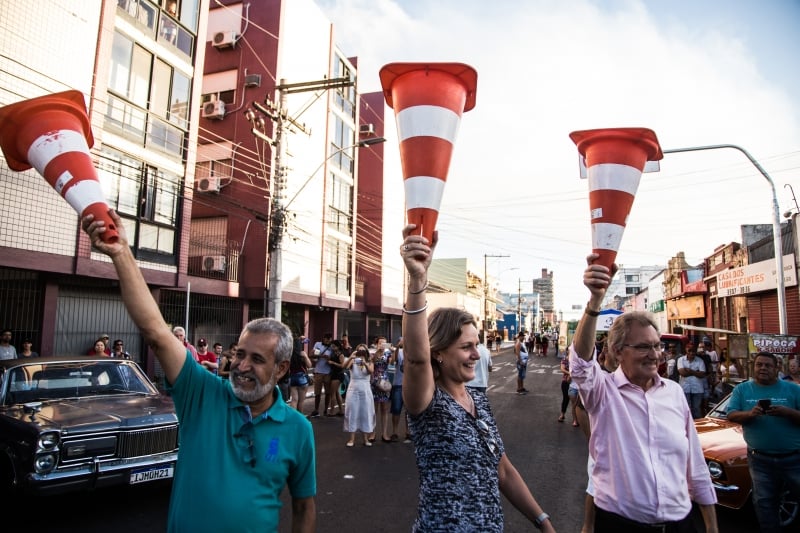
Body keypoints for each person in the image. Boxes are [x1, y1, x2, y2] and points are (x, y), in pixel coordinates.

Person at [82, 209, 316, 532]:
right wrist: (121, 252)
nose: (242, 366)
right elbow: (156, 332)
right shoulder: (202, 393)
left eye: (258, 360)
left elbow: (304, 507)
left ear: (281, 369)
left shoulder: (298, 429)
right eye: (240, 354)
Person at [399, 225, 554, 533]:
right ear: (440, 352)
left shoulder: (478, 400)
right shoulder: (428, 403)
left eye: (477, 345)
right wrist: (417, 281)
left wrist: (543, 522)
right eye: (466, 347)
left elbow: (504, 471)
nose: (477, 354)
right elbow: (417, 359)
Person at [570, 253, 718, 532]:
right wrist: (595, 302)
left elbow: (695, 465)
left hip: (679, 523)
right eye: (642, 347)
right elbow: (580, 365)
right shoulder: (604, 394)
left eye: (657, 346)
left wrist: (711, 526)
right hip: (621, 525)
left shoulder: (673, 393)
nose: (655, 355)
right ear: (617, 352)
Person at [727, 351, 800, 533]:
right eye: (759, 364)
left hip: (794, 459)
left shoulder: (793, 389)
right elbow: (731, 414)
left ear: (777, 369)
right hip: (760, 460)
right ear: (754, 366)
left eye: (768, 365)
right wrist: (750, 414)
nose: (763, 368)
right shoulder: (742, 390)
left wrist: (788, 413)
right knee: (764, 504)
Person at [342, 344, 375, 446]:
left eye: (363, 351)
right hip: (353, 388)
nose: (361, 352)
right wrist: (351, 357)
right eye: (359, 351)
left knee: (365, 412)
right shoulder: (353, 360)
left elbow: (371, 371)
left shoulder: (369, 361)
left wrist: (365, 363)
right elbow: (344, 367)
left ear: (366, 352)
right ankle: (352, 439)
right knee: (352, 412)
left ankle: (366, 439)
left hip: (365, 389)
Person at [370, 336, 393, 443]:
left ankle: (384, 433)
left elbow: (391, 362)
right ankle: (373, 433)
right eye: (380, 343)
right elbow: (371, 363)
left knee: (384, 409)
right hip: (374, 381)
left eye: (384, 343)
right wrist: (378, 352)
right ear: (377, 344)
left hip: (384, 382)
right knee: (374, 409)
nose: (382, 345)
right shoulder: (373, 353)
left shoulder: (388, 353)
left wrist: (393, 351)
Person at [678, 343, 708, 419]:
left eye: (693, 351)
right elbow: (682, 373)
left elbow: (702, 374)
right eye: (689, 350)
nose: (691, 353)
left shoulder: (700, 360)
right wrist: (696, 372)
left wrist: (690, 371)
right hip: (685, 388)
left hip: (697, 388)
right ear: (686, 350)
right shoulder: (681, 360)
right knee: (686, 408)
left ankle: (698, 426)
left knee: (696, 409)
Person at [389, 337, 410, 441]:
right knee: (396, 409)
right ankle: (395, 432)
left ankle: (408, 432)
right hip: (398, 384)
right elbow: (393, 361)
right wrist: (397, 347)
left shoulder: (412, 351)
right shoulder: (399, 351)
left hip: (410, 386)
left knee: (409, 411)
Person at [309, 333, 334, 417]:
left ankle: (326, 410)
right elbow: (311, 355)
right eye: (326, 339)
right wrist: (321, 356)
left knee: (327, 393)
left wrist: (329, 358)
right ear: (323, 339)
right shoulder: (318, 344)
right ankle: (316, 410)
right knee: (317, 393)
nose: (327, 341)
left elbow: (335, 358)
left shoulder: (332, 347)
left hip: (328, 372)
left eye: (329, 339)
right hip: (318, 372)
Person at [288, 337, 313, 413]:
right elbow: (309, 365)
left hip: (292, 377)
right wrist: (305, 357)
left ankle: (292, 417)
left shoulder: (289, 354)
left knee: (294, 399)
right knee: (301, 401)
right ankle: (300, 417)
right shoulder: (302, 354)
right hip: (302, 378)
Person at [327, 340, 346, 416]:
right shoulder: (333, 353)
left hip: (338, 374)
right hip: (334, 373)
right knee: (337, 392)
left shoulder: (340, 354)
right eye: (332, 346)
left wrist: (333, 363)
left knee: (333, 393)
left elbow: (342, 365)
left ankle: (332, 411)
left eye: (334, 346)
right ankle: (341, 410)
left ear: (338, 347)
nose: (332, 347)